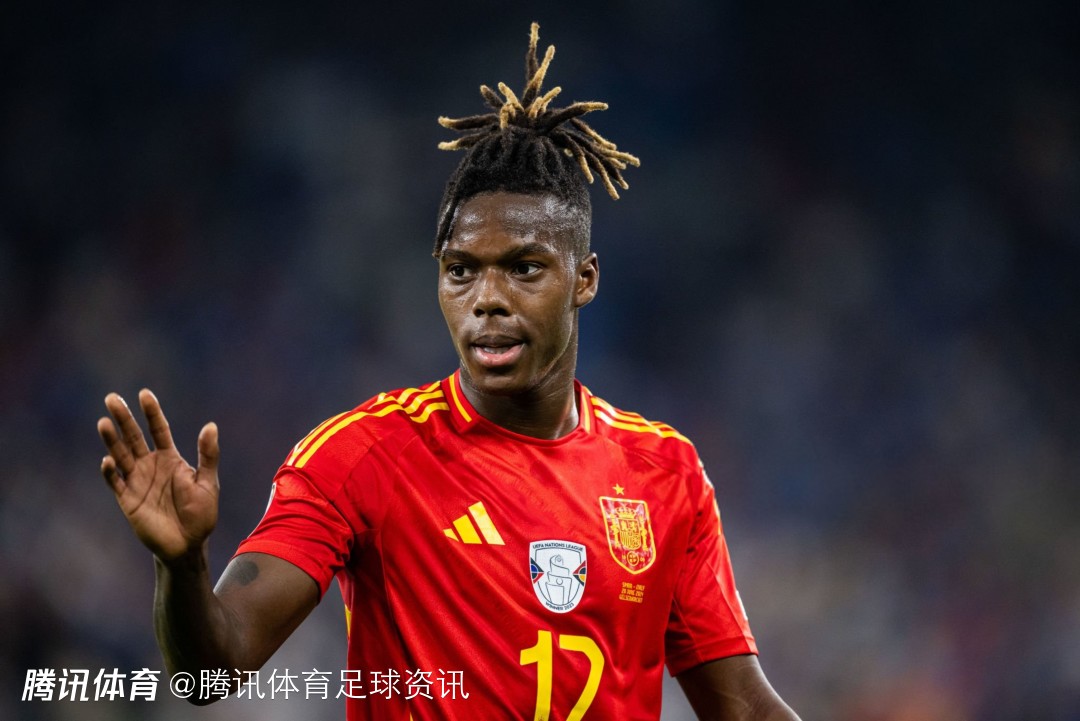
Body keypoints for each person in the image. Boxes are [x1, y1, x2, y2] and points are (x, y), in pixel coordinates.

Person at [97, 23, 800, 721]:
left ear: (584, 279)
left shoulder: (664, 473)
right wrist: (182, 565)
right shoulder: (361, 455)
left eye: (524, 268)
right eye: (462, 271)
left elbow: (745, 709)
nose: (487, 299)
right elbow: (209, 676)